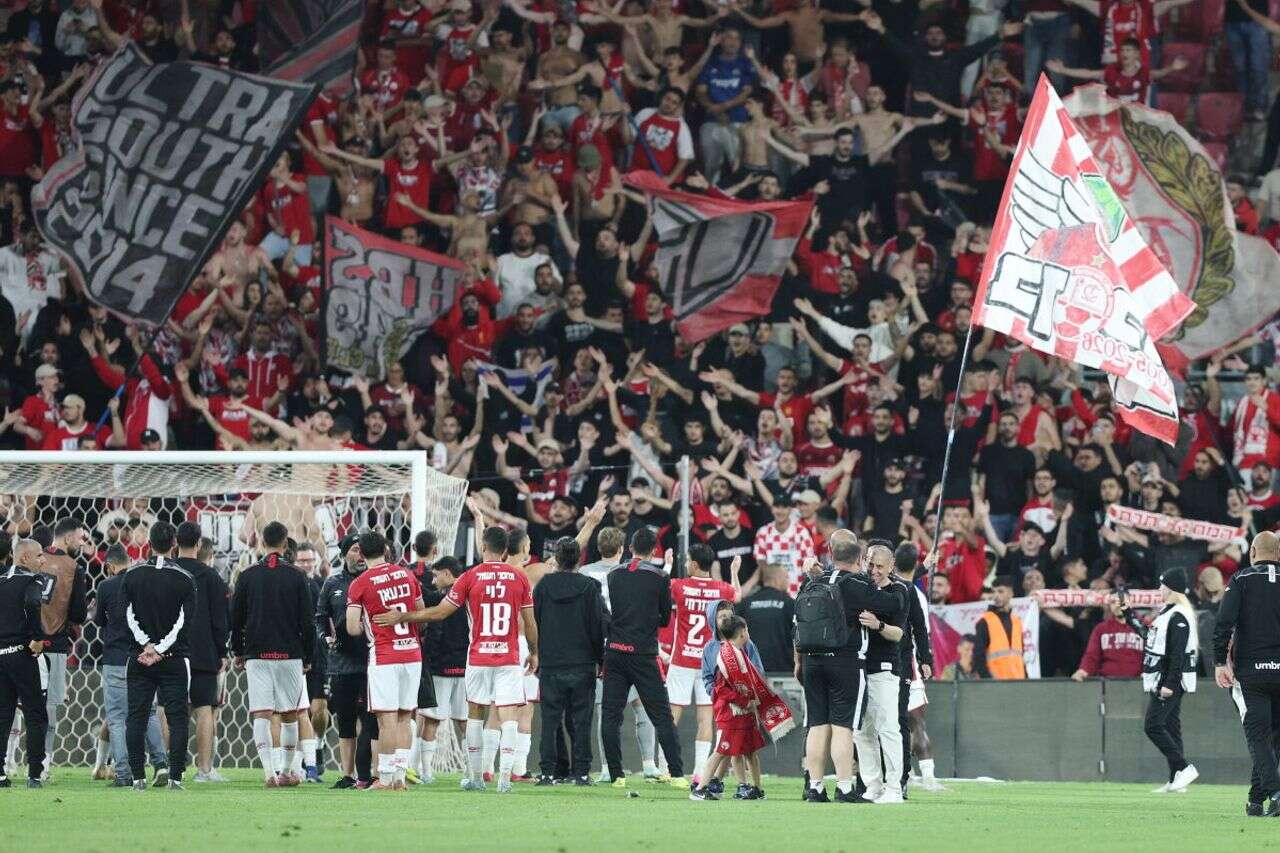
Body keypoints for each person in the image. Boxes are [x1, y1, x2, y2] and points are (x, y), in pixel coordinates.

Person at [377, 526, 537, 794]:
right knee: (508, 715)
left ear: (482, 547)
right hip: (509, 657)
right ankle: (505, 779)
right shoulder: (519, 577)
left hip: (478, 657)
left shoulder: (469, 577)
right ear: (506, 551)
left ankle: (476, 778)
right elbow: (530, 623)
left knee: (476, 714)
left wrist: (402, 616)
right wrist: (534, 651)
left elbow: (440, 613)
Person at [796, 530, 904, 803]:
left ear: (831, 555)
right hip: (845, 662)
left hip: (811, 661)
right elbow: (893, 603)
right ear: (859, 560)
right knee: (843, 727)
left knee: (817, 725)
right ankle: (844, 788)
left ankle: (815, 787)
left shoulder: (812, 582)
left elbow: (797, 622)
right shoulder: (857, 584)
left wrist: (798, 663)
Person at [600, 527, 688, 788]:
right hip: (643, 654)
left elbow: (614, 610)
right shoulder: (660, 577)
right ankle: (677, 774)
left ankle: (616, 775)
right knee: (662, 716)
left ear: (630, 548)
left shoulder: (613, 574)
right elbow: (665, 618)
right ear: (654, 550)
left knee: (611, 715)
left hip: (615, 651)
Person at [230, 521, 315, 788]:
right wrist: (308, 656)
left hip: (257, 654)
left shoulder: (247, 575)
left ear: (262, 543)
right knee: (290, 714)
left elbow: (235, 619)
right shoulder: (297, 576)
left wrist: (238, 651)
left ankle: (269, 773)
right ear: (285, 544)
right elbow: (308, 622)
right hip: (290, 654)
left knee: (261, 714)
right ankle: (286, 772)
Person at [345, 531, 424, 790]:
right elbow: (421, 613)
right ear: (386, 550)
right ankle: (400, 777)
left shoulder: (360, 583)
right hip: (412, 653)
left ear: (361, 553)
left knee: (387, 720)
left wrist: (367, 625)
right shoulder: (407, 575)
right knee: (404, 717)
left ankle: (386, 778)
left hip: (385, 655)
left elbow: (352, 628)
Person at [121, 522, 196, 791]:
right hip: (174, 659)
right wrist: (161, 649)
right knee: (177, 719)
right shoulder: (185, 578)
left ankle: (138, 778)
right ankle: (175, 778)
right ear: (174, 544)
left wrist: (146, 645)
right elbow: (185, 621)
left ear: (149, 544)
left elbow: (126, 614)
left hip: (140, 658)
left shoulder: (132, 576)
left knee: (136, 717)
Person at [532, 536, 607, 785]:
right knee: (582, 720)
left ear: (557, 558)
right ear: (579, 558)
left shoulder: (543, 586)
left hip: (551, 662)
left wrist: (537, 653)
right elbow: (597, 626)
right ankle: (581, 773)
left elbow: (535, 621)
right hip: (582, 662)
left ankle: (548, 772)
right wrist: (600, 659)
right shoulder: (589, 587)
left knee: (550, 720)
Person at [1215, 530, 1280, 816]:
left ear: (1252, 553)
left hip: (1251, 673)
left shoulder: (1241, 579)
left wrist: (1219, 662)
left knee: (1258, 737)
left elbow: (1223, 622)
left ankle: (1276, 793)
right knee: (1272, 739)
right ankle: (1255, 801)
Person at [94, 544, 169, 788]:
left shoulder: (105, 587)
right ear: (129, 561)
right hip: (141, 657)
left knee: (117, 718)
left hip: (115, 659)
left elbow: (99, 620)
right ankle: (161, 763)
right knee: (148, 712)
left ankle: (124, 773)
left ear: (110, 566)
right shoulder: (143, 582)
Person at [667, 542, 739, 786]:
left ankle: (667, 768)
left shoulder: (679, 585)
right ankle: (699, 772)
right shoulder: (721, 589)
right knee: (705, 719)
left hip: (681, 660)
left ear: (695, 564)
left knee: (672, 714)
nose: (686, 564)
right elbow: (737, 595)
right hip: (709, 663)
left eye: (688, 560)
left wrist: (667, 566)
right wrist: (734, 572)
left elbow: (660, 588)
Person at [1125, 568, 1199, 794]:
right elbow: (1149, 637)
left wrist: (1169, 684)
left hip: (1168, 679)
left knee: (1153, 725)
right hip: (1163, 677)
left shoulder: (1178, 616)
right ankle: (1176, 778)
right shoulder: (1168, 613)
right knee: (1171, 727)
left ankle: (1184, 768)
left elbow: (1178, 655)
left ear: (1172, 588)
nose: (1159, 589)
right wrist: (1128, 613)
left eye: (1163, 585)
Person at [317, 534, 378, 789]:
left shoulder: (375, 581)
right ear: (344, 554)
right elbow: (320, 617)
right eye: (355, 549)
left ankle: (375, 773)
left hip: (371, 662)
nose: (360, 554)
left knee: (371, 721)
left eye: (363, 550)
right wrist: (325, 638)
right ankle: (348, 774)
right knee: (345, 721)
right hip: (342, 663)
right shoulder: (332, 584)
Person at [852, 541, 909, 804]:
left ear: (891, 566)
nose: (874, 570)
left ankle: (894, 788)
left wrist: (878, 625)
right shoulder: (862, 586)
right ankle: (873, 786)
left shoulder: (899, 591)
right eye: (871, 564)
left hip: (884, 668)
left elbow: (898, 634)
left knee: (888, 728)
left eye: (880, 566)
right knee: (862, 731)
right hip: (859, 668)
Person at [172, 522, 229, 783]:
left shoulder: (168, 572)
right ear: (198, 544)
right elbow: (220, 619)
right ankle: (204, 770)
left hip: (170, 651)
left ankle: (172, 767)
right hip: (203, 652)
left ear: (176, 543)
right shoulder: (211, 577)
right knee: (204, 708)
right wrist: (222, 651)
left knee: (170, 708)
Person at [31, 516, 87, 782]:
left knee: (14, 706)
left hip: (24, 643)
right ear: (68, 538)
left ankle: (6, 762)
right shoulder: (74, 567)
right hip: (54, 645)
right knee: (50, 706)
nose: (82, 543)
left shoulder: (33, 558)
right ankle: (42, 764)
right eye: (80, 538)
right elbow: (78, 614)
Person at [689, 617, 766, 801]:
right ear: (742, 633)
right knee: (721, 751)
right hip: (730, 714)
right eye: (747, 630)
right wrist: (744, 701)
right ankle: (700, 788)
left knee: (750, 751)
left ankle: (757, 789)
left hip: (744, 714)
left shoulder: (738, 653)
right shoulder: (726, 657)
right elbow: (720, 689)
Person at [0, 538, 50, 789]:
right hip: (22, 654)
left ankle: (0, 774)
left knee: (3, 714)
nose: (43, 560)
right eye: (39, 555)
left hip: (1, 654)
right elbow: (32, 603)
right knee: (35, 713)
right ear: (24, 558)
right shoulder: (33, 580)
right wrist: (37, 638)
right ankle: (34, 774)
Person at [894, 543, 938, 793]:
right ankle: (928, 777)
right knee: (916, 722)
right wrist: (925, 660)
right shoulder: (916, 595)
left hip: (884, 663)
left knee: (894, 724)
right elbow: (922, 633)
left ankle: (902, 773)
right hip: (909, 662)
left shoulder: (887, 587)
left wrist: (923, 567)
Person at [737, 564, 795, 673]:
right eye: (786, 577)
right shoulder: (789, 603)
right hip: (783, 672)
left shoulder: (745, 604)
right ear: (777, 579)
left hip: (751, 670)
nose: (789, 581)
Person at [973, 577, 1026, 679]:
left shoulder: (1017, 621)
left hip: (1018, 682)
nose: (996, 596)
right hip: (996, 683)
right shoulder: (985, 621)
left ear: (1011, 593)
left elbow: (1020, 655)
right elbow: (978, 657)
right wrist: (988, 680)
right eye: (993, 592)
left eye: (1000, 591)